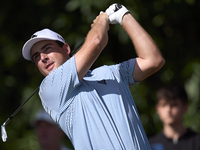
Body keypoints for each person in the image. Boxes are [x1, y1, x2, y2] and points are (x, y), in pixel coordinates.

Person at [22, 3, 165, 149]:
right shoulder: (49, 88)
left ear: (66, 48)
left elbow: (153, 60)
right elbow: (96, 41)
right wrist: (102, 19)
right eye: (36, 57)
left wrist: (123, 16)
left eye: (47, 48)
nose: (43, 58)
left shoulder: (109, 73)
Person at [148, 84, 200, 150]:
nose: (168, 109)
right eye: (164, 105)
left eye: (174, 105)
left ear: (185, 107)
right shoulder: (149, 145)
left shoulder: (197, 142)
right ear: (158, 109)